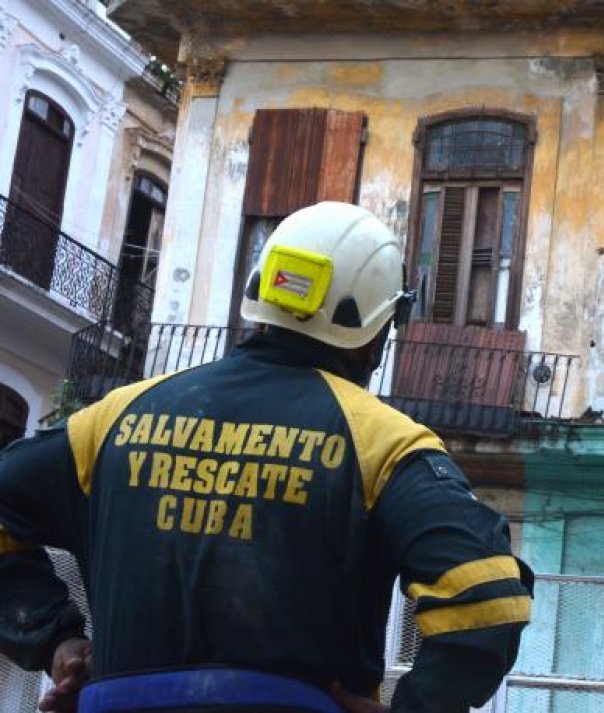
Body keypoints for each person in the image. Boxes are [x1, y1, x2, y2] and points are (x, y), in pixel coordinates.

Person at [0, 202, 534, 713]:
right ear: (377, 331)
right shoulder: (384, 444)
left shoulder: (113, 420)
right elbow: (486, 598)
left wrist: (56, 639)